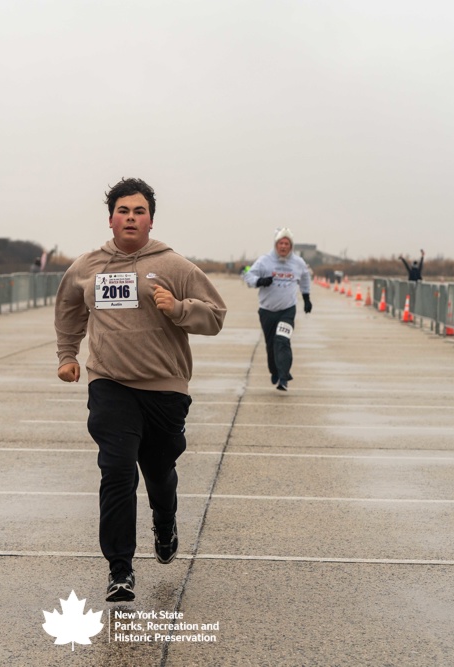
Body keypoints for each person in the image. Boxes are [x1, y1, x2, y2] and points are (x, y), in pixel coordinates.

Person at [54, 177, 226, 603]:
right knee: (116, 470)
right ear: (111, 219)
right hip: (109, 383)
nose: (130, 218)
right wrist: (67, 354)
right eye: (123, 211)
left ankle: (164, 521)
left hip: (165, 388)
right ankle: (120, 570)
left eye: (139, 211)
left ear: (151, 220)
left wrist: (180, 308)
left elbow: (216, 316)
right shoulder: (88, 266)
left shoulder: (174, 266)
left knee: (159, 470)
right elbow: (69, 308)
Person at [243, 228, 312, 391]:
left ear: (291, 246)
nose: (283, 246)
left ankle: (283, 377)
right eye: (281, 243)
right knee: (271, 345)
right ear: (276, 245)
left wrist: (306, 298)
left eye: (287, 244)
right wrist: (260, 281)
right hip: (267, 310)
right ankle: (275, 371)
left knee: (282, 341)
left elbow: (305, 278)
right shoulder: (264, 261)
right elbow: (248, 276)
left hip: (287, 310)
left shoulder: (298, 262)